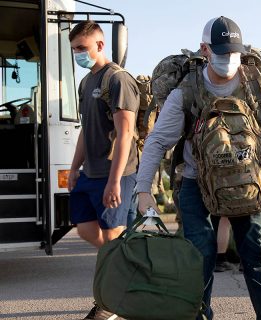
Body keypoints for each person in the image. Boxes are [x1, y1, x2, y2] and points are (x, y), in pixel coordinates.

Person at [136, 16, 261, 320]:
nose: (226, 60)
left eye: (232, 52)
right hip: (195, 181)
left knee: (256, 256)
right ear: (204, 49)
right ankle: (198, 314)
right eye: (219, 52)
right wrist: (143, 190)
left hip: (250, 181)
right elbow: (157, 141)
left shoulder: (258, 84)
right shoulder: (186, 91)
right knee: (200, 254)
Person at [67, 20, 139, 320]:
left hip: (116, 174)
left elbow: (125, 133)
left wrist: (114, 182)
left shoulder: (118, 80)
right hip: (90, 174)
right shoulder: (86, 83)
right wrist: (74, 169)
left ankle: (110, 304)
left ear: (99, 45)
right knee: (85, 228)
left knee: (112, 241)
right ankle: (129, 266)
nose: (78, 54)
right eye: (73, 50)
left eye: (82, 48)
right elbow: (85, 130)